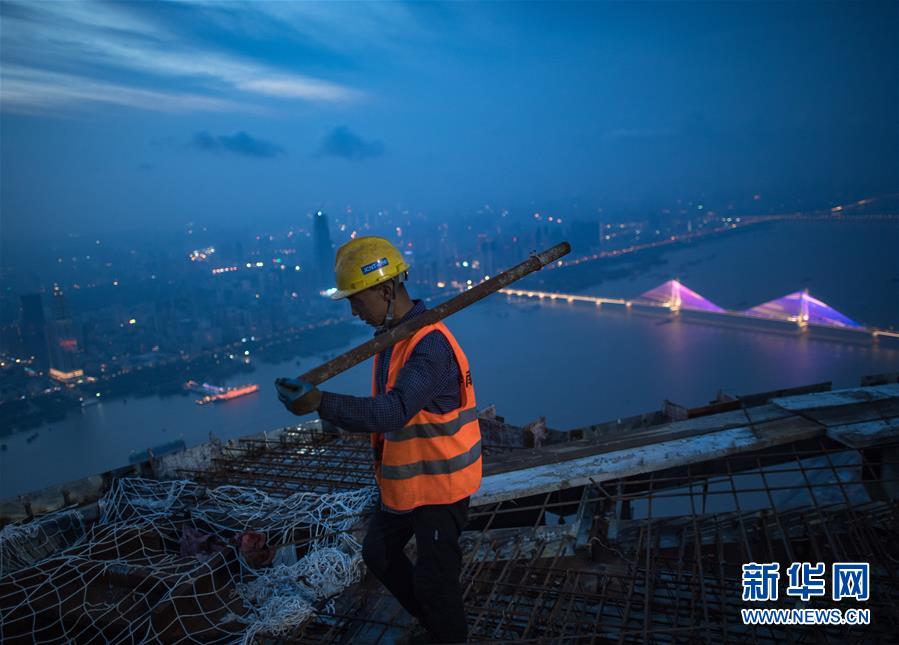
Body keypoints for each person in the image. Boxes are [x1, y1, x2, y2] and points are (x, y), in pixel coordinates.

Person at [275, 236, 481, 644]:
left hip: (441, 488)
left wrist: (321, 403)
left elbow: (393, 411)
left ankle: (448, 635)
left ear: (386, 290)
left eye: (357, 300)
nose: (354, 311)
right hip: (408, 485)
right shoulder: (393, 337)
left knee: (436, 580)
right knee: (378, 553)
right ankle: (435, 625)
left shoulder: (429, 346)